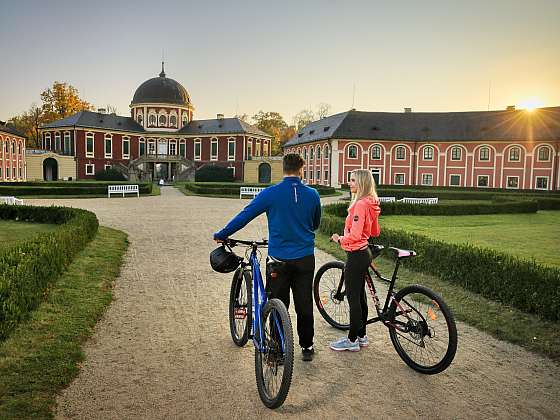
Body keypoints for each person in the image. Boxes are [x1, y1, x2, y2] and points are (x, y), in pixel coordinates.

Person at [214, 153, 321, 361]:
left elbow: (246, 215)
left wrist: (223, 234)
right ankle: (307, 347)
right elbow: (315, 224)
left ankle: (277, 350)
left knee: (276, 302)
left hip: (278, 258)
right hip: (305, 258)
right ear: (302, 169)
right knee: (304, 303)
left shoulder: (271, 193)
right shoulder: (313, 194)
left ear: (283, 169)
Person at [329, 169, 381, 352]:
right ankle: (362, 336)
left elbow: (356, 235)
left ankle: (351, 341)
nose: (349, 183)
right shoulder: (371, 203)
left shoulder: (360, 204)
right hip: (364, 253)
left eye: (353, 180)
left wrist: (339, 239)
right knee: (360, 297)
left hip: (356, 255)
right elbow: (375, 232)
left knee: (353, 299)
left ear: (361, 183)